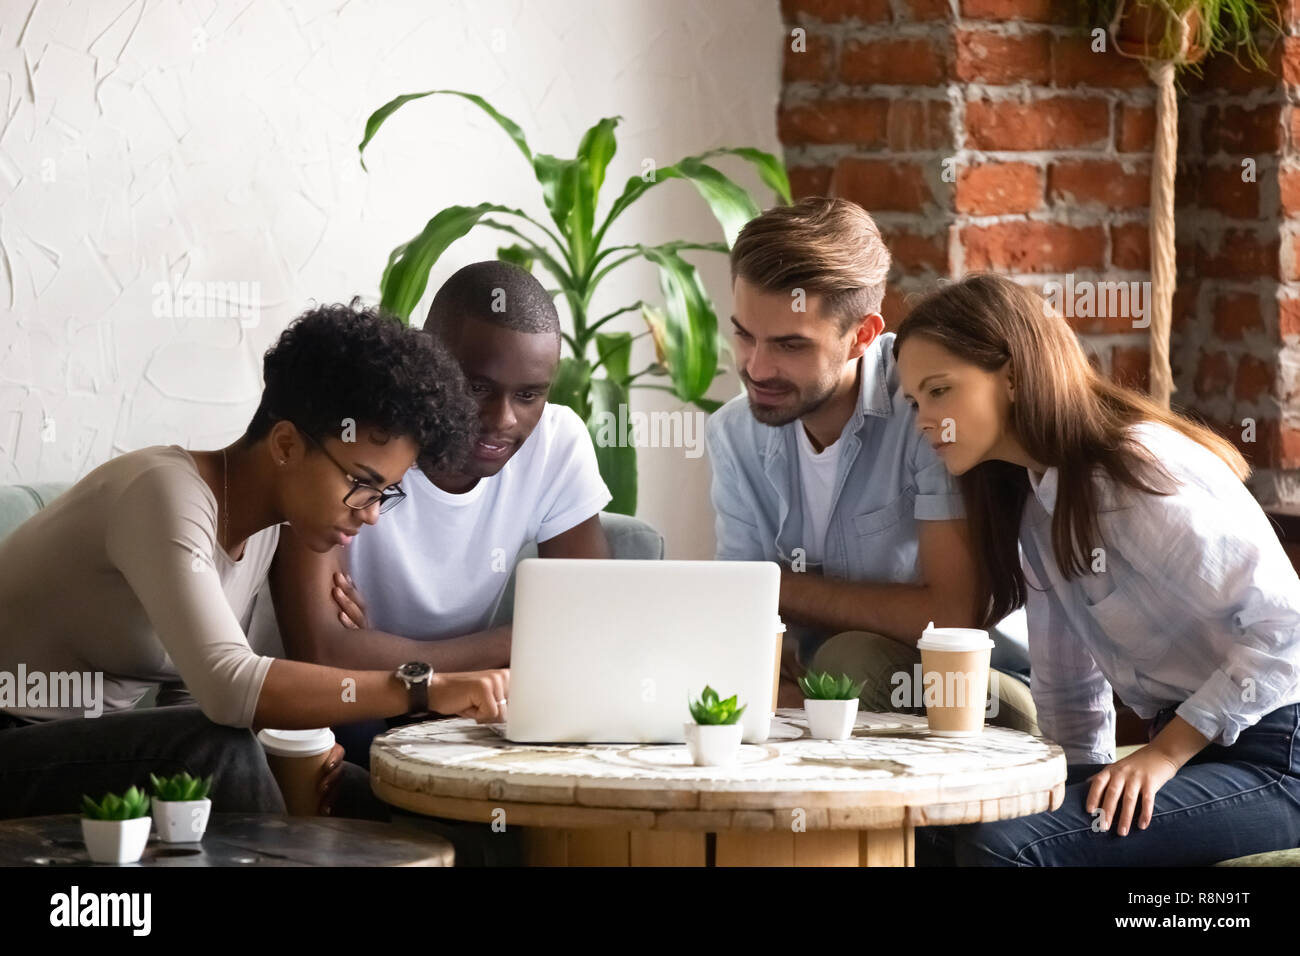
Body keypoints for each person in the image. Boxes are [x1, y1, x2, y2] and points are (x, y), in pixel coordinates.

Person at [0, 301, 507, 821]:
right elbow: (229, 687)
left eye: (387, 493)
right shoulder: (162, 494)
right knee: (219, 753)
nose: (372, 514)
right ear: (286, 444)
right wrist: (422, 688)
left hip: (91, 750)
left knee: (360, 788)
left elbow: (194, 699)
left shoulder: (264, 532)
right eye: (361, 484)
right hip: (15, 736)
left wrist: (297, 751)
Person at [895, 273, 1300, 865]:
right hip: (1203, 749)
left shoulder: (1133, 472)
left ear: (1011, 375)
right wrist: (1076, 783)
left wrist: (1162, 756)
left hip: (1277, 755)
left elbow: (1287, 628)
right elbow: (1069, 685)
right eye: (913, 401)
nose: (923, 421)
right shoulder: (1036, 503)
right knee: (936, 827)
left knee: (1004, 848)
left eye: (938, 391)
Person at [263, 261, 611, 773]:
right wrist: (514, 643)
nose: (502, 419)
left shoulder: (557, 442)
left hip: (463, 711)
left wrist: (387, 652)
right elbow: (323, 653)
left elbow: (591, 627)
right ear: (431, 360)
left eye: (529, 394)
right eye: (477, 388)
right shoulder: (354, 438)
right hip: (334, 712)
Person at [705, 198, 1037, 732]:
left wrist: (778, 586)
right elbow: (741, 616)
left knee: (849, 658)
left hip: (979, 688)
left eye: (790, 345)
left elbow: (949, 617)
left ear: (861, 335)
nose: (756, 367)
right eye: (745, 334)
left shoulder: (925, 413)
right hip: (821, 684)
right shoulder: (735, 432)